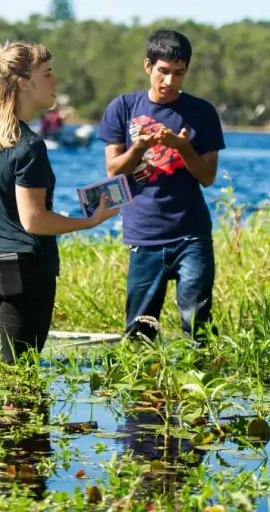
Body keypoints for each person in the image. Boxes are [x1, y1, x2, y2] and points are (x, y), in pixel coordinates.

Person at [0, 40, 118, 364]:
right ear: (25, 84)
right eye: (47, 74)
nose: (55, 81)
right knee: (19, 375)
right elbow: (34, 221)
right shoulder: (29, 146)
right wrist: (90, 221)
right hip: (22, 267)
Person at [97, 29, 226, 347]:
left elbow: (207, 177)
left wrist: (182, 147)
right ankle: (142, 390)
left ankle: (200, 378)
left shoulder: (203, 112)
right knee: (140, 330)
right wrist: (139, 147)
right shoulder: (123, 107)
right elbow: (113, 170)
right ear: (148, 66)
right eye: (163, 71)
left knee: (197, 321)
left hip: (190, 233)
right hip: (144, 233)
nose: (170, 81)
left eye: (178, 73)